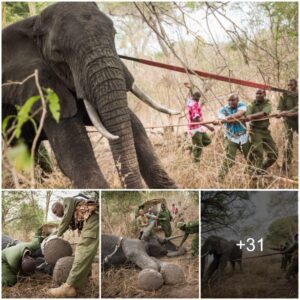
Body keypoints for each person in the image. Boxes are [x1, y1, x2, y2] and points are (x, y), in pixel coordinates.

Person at [47, 195, 99, 297]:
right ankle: (82, 280)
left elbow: (65, 221)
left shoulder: (68, 201)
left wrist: (56, 236)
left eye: (55, 211)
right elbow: (66, 224)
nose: (56, 214)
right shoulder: (72, 213)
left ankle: (68, 287)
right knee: (86, 252)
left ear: (60, 206)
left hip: (92, 219)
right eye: (54, 213)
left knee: (82, 249)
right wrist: (51, 236)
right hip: (92, 220)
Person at [214, 94, 250, 181]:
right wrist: (221, 120)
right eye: (229, 101)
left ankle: (248, 174)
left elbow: (239, 113)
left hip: (243, 136)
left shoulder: (242, 105)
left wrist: (228, 118)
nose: (230, 102)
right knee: (229, 159)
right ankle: (219, 178)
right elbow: (220, 116)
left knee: (250, 157)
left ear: (237, 100)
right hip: (231, 137)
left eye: (233, 100)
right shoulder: (224, 108)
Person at [246, 89, 278, 174]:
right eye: (257, 93)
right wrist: (249, 116)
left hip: (265, 132)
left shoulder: (268, 103)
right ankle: (254, 173)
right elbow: (247, 114)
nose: (258, 95)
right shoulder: (251, 104)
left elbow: (264, 113)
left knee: (274, 155)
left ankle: (262, 168)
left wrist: (251, 116)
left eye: (260, 93)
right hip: (255, 130)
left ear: (264, 94)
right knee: (258, 152)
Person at [185, 82, 213, 163]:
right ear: (193, 97)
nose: (198, 98)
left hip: (199, 128)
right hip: (194, 128)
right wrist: (209, 127)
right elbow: (196, 120)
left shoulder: (192, 101)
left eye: (199, 97)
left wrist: (190, 88)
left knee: (208, 141)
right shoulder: (193, 105)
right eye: (196, 97)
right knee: (199, 147)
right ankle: (195, 164)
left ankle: (192, 147)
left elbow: (191, 96)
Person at [276, 79, 298, 173]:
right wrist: (281, 114)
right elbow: (280, 110)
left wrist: (288, 113)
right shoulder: (283, 95)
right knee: (287, 143)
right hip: (288, 121)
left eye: (291, 85)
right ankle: (285, 167)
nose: (289, 87)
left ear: (296, 85)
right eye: (288, 85)